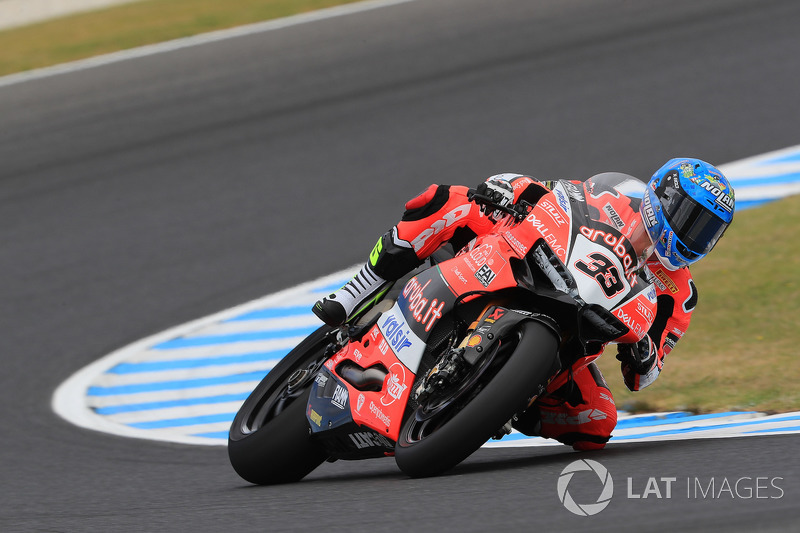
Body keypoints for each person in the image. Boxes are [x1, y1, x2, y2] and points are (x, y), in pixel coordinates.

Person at [312, 158, 735, 451]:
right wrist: (509, 189)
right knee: (449, 201)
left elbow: (649, 369)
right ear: (663, 195)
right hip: (522, 257)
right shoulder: (618, 194)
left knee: (599, 424)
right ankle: (356, 291)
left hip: (580, 327)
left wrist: (644, 358)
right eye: (690, 218)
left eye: (707, 231)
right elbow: (557, 194)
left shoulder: (680, 292)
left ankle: (503, 402)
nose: (694, 236)